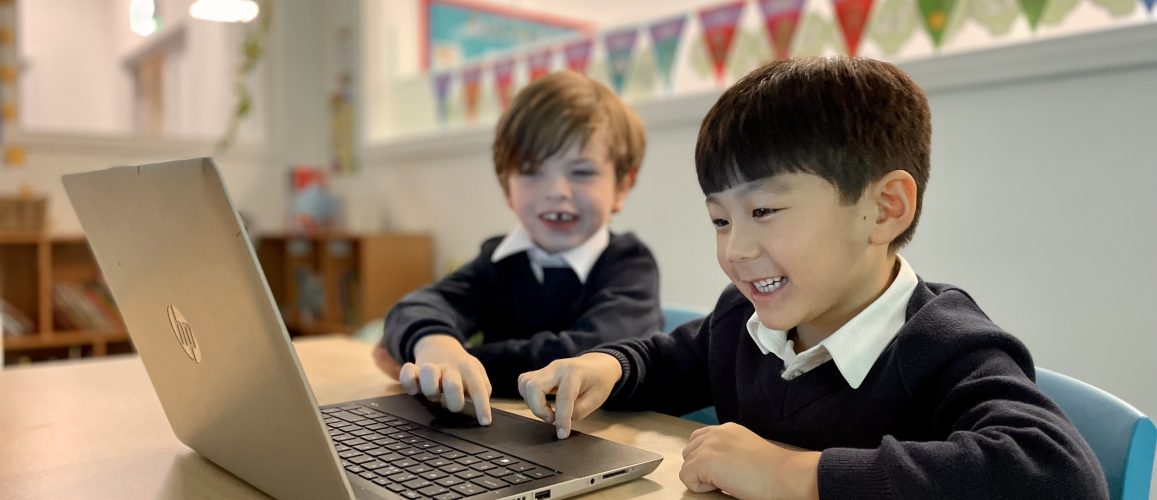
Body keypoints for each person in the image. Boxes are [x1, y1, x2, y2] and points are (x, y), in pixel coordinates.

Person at [516, 58, 1107, 499]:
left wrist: (792, 473)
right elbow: (673, 360)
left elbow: (1060, 472)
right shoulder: (742, 323)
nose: (736, 249)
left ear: (884, 209)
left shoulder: (943, 344)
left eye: (764, 212)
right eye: (720, 220)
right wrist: (607, 368)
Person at [375, 71, 661, 426]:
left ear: (622, 185)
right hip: (505, 436)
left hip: (607, 438)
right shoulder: (499, 262)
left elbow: (587, 355)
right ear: (506, 187)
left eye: (582, 172)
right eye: (531, 171)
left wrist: (467, 363)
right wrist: (435, 347)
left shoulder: (629, 265)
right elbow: (415, 307)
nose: (556, 190)